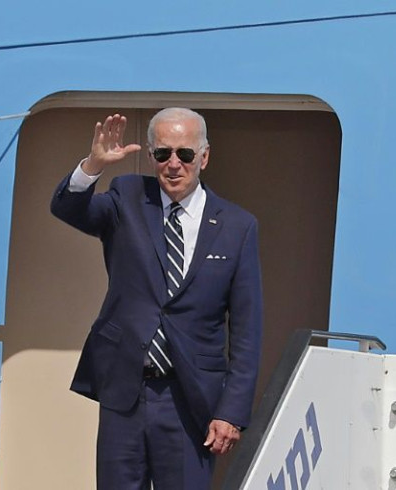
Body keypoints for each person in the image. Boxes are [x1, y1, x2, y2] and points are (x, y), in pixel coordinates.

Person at [50, 108, 263, 489]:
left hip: (191, 398)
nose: (174, 165)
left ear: (205, 157)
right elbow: (68, 208)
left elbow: (247, 332)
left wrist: (231, 411)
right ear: (151, 157)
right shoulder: (128, 196)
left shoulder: (238, 226)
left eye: (185, 154)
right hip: (126, 389)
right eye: (163, 154)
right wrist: (93, 165)